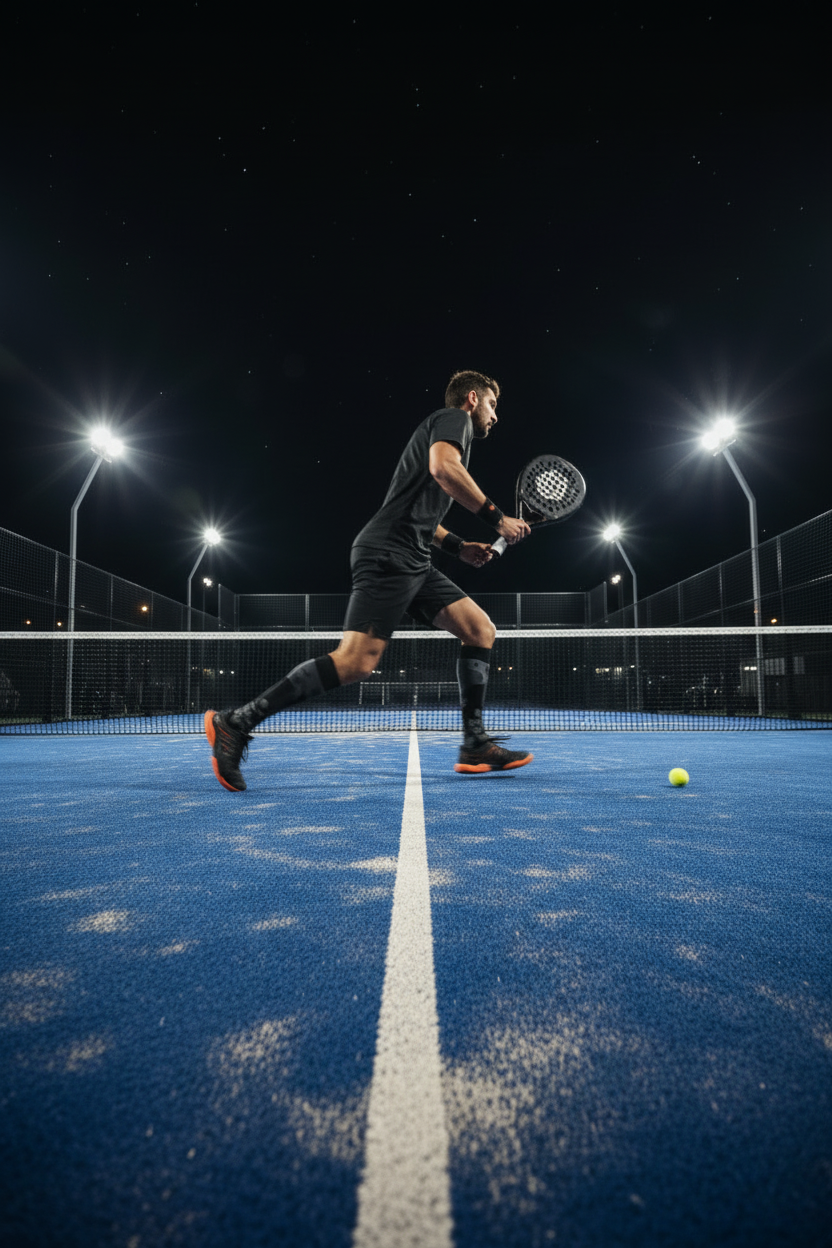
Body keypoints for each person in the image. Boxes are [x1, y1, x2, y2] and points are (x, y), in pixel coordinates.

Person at [205, 369, 532, 791]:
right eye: (492, 404)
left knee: (479, 629)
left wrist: (458, 546)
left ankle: (474, 744)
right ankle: (236, 722)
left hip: (413, 557)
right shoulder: (454, 421)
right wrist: (497, 519)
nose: (495, 415)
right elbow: (442, 469)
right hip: (388, 552)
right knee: (355, 662)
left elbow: (420, 514)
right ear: (472, 398)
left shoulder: (448, 438)